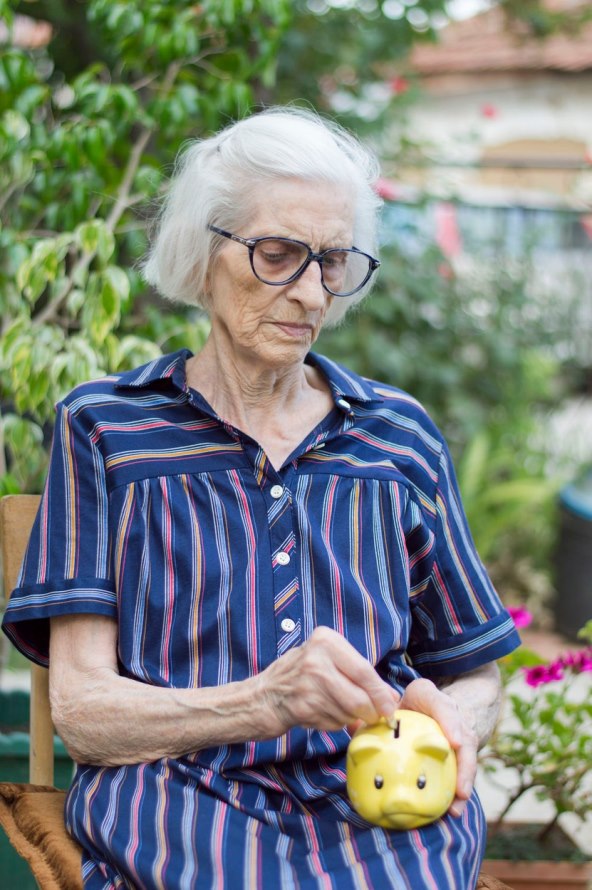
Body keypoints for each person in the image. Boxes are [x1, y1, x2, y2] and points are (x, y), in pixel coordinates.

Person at [2, 107, 521, 890]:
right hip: (178, 799)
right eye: (280, 254)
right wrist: (267, 701)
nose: (313, 294)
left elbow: (475, 668)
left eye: (334, 262)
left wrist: (455, 725)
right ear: (203, 254)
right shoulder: (108, 428)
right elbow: (84, 714)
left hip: (370, 813)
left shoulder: (397, 437)